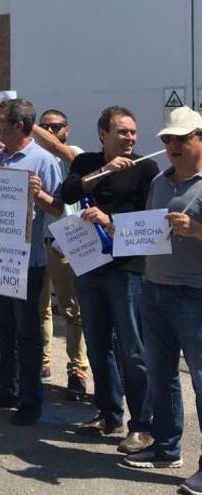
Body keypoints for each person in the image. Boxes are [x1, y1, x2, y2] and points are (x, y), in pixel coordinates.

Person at [60, 106, 157, 451]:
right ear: (103, 134)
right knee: (98, 346)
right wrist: (103, 171)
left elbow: (148, 220)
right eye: (122, 132)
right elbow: (66, 193)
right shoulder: (86, 162)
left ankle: (142, 424)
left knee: (133, 350)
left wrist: (107, 217)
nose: (130, 138)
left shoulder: (147, 168)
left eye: (132, 132)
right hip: (89, 267)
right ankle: (108, 413)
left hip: (126, 271)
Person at [121, 107, 202, 495]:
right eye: (168, 139)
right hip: (154, 289)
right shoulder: (159, 181)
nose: (172, 146)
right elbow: (147, 231)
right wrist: (110, 225)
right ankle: (167, 448)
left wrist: (196, 229)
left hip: (194, 295)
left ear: (200, 139)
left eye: (181, 139)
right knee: (162, 375)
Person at [0, 98, 62, 426]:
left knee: (27, 333)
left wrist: (39, 195)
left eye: (2, 122)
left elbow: (59, 209)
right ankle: (5, 387)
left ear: (20, 127)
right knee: (4, 327)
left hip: (28, 262)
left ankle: (30, 399)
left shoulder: (44, 160)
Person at [32, 108, 89, 400]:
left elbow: (56, 148)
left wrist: (26, 123)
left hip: (65, 240)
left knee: (71, 309)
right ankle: (43, 359)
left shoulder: (74, 154)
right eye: (45, 126)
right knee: (40, 307)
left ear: (67, 129)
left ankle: (77, 368)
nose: (50, 131)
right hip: (38, 239)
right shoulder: (38, 159)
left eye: (56, 126)